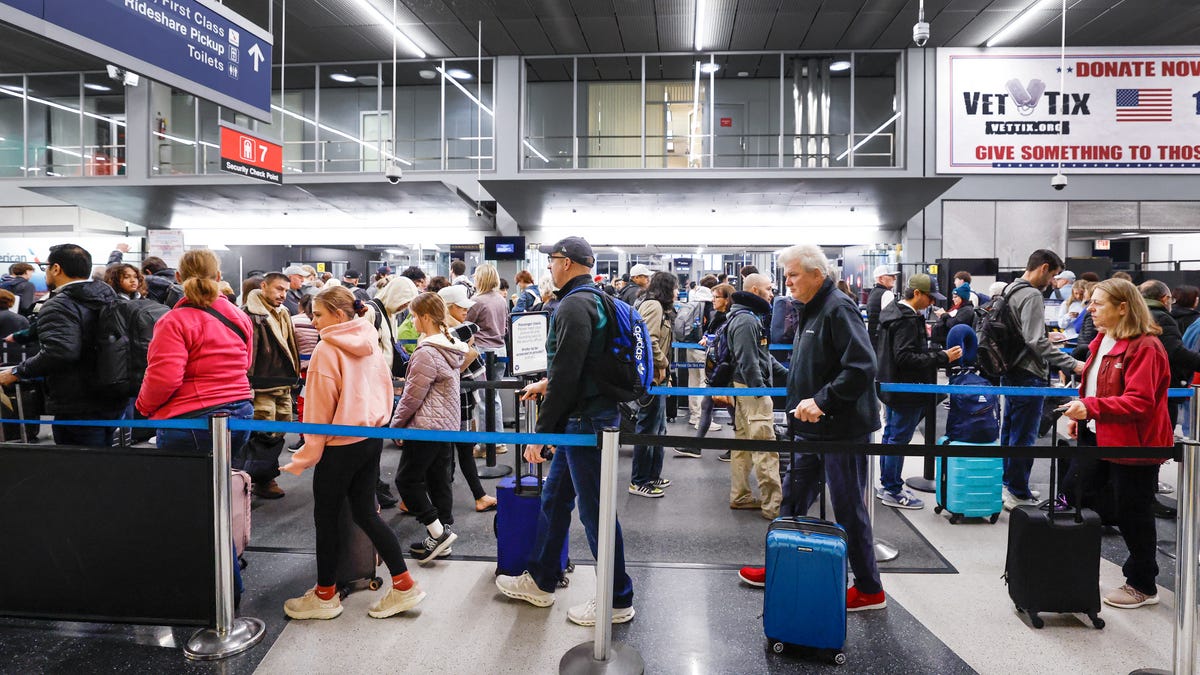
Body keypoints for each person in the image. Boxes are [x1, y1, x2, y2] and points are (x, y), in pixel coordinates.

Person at [737, 244, 886, 612]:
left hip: (841, 431)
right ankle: (779, 565)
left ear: (817, 274)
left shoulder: (838, 307)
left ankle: (870, 589)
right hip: (810, 431)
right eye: (785, 276)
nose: (786, 283)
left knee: (848, 507)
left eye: (793, 275)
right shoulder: (811, 310)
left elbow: (862, 367)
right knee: (791, 500)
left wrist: (822, 400)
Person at [496, 235, 635, 626]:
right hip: (590, 415)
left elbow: (568, 372)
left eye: (553, 260)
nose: (549, 267)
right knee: (556, 499)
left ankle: (617, 598)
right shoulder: (600, 299)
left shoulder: (573, 304)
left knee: (596, 513)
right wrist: (548, 386)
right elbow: (584, 366)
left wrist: (542, 435)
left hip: (585, 423)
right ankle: (541, 580)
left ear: (569, 263)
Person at [280, 286, 425, 620]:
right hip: (370, 438)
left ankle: (325, 595)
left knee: (326, 518)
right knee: (366, 513)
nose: (312, 320)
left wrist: (306, 454)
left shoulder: (326, 350)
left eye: (317, 314)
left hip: (339, 445)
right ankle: (404, 584)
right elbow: (386, 387)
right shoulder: (370, 339)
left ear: (339, 315)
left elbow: (317, 410)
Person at [1061, 278, 1172, 610]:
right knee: (1076, 494)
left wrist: (1092, 408)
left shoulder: (1146, 347)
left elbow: (1139, 402)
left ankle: (1142, 583)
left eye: (1098, 303)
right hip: (1097, 435)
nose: (1090, 309)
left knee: (1132, 511)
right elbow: (1096, 386)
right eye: (1090, 302)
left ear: (1123, 307)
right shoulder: (1102, 340)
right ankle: (1073, 570)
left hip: (1134, 444)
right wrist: (1082, 413)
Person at [0, 244, 122, 446]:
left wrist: (16, 372)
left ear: (56, 268)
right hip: (110, 395)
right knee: (103, 465)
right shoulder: (107, 297)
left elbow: (60, 352)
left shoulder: (59, 304)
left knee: (75, 469)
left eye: (46, 267)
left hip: (76, 402)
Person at [136, 249, 254, 454]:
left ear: (178, 277)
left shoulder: (173, 321)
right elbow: (246, 363)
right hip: (241, 413)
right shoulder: (239, 315)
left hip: (190, 417)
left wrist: (143, 406)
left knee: (184, 484)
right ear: (218, 276)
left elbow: (164, 378)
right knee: (223, 481)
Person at [1000, 250, 1085, 511]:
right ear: (1044, 268)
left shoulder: (1010, 289)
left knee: (1010, 431)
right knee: (1024, 435)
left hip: (1010, 370)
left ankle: (1010, 485)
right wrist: (1074, 364)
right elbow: (1034, 341)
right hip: (1029, 373)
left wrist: (1046, 339)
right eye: (1054, 275)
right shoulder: (1032, 294)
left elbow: (1025, 335)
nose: (1053, 281)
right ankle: (1017, 491)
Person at [389, 292, 467, 563]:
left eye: (413, 316)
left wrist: (396, 425)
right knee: (438, 480)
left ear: (424, 316)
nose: (413, 321)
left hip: (425, 426)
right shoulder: (451, 345)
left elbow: (412, 395)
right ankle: (442, 537)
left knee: (407, 480)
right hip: (446, 424)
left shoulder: (427, 351)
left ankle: (438, 533)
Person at [876, 274, 961, 510]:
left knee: (891, 436)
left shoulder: (893, 313)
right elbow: (905, 357)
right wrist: (941, 357)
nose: (932, 302)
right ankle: (892, 488)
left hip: (892, 386)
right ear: (917, 294)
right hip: (907, 389)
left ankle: (888, 484)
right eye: (930, 297)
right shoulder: (906, 319)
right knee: (898, 439)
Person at [724, 273, 787, 519]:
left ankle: (740, 496)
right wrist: (761, 391)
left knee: (743, 445)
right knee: (764, 447)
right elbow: (748, 361)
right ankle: (774, 506)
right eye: (768, 289)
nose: (772, 293)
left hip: (744, 389)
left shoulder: (747, 317)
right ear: (754, 289)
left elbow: (762, 355)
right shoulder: (747, 321)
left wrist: (786, 375)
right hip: (752, 392)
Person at [242, 272, 302, 499]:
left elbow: (290, 346)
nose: (283, 295)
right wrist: (247, 386)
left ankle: (263, 476)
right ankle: (261, 479)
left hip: (283, 383)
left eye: (285, 290)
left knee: (279, 431)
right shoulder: (250, 315)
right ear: (264, 286)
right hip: (260, 385)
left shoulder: (283, 312)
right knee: (263, 432)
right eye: (278, 289)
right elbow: (249, 354)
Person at [438, 284, 497, 512]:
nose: (466, 312)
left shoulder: (450, 331)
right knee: (453, 452)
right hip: (455, 398)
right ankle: (475, 496)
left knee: (455, 451)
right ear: (449, 308)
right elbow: (471, 331)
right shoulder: (451, 333)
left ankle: (472, 496)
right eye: (461, 308)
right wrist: (469, 350)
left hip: (460, 397)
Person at [629, 271, 675, 498]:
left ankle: (652, 475)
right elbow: (647, 340)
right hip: (651, 376)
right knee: (647, 427)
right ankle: (639, 480)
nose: (677, 293)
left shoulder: (658, 307)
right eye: (675, 288)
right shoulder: (654, 306)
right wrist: (663, 363)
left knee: (659, 427)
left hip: (659, 376)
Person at [1139, 279, 1200, 428]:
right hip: (1162, 387)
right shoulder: (1163, 318)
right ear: (1165, 298)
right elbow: (1175, 352)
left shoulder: (1135, 316)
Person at [466, 263, 509, 454]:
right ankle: (498, 441)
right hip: (501, 351)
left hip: (483, 353)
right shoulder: (501, 299)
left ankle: (484, 445)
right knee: (494, 397)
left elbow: (465, 327)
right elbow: (505, 328)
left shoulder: (476, 301)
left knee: (482, 399)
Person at [866, 264, 898, 346]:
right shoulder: (887, 294)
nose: (895, 278)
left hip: (873, 337)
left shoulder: (873, 292)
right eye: (891, 275)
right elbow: (890, 320)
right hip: (883, 340)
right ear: (881, 279)